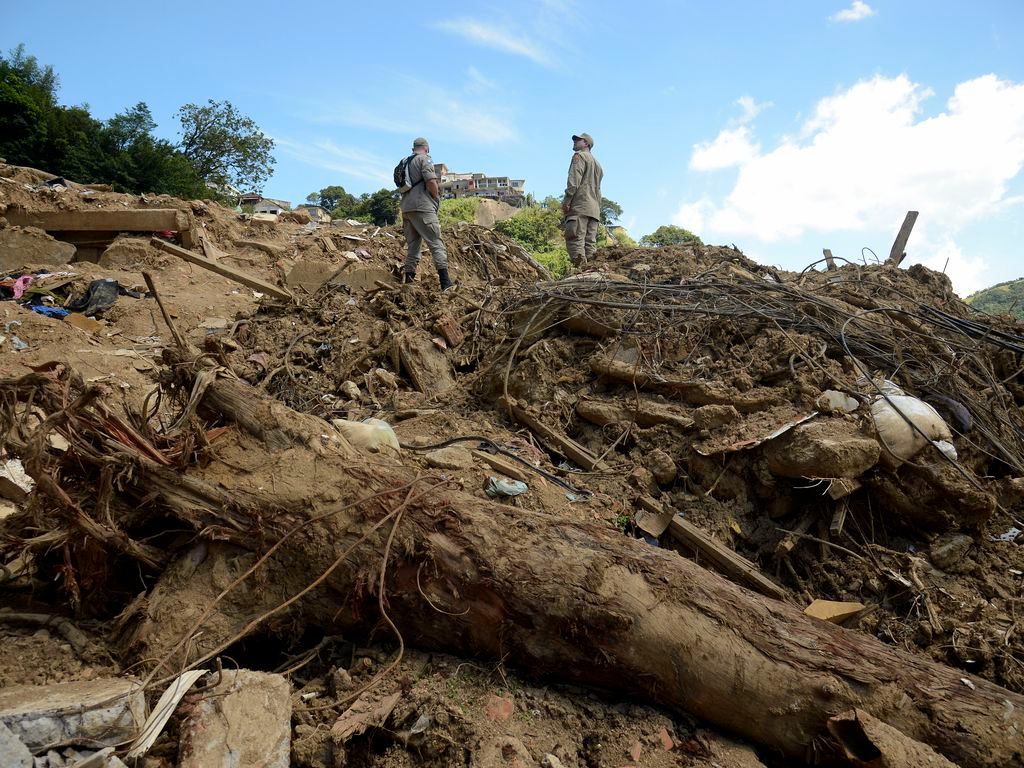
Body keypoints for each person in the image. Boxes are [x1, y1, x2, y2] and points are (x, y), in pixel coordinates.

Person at [399, 137, 452, 291]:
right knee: (436, 243)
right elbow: (431, 182)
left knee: (413, 247)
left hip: (406, 208)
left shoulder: (404, 162)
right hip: (422, 207)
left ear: (413, 149)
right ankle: (446, 283)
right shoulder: (425, 160)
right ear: (427, 149)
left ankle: (408, 285)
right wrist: (435, 197)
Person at [561, 132, 603, 267]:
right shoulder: (598, 165)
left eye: (578, 140)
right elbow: (598, 190)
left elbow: (573, 182)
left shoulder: (579, 157)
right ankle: (592, 272)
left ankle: (581, 272)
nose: (574, 141)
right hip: (594, 210)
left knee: (575, 240)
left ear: (586, 144)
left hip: (580, 206)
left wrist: (567, 201)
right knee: (590, 244)